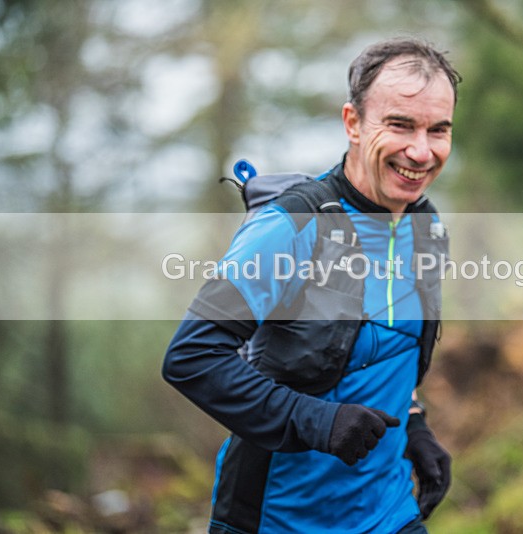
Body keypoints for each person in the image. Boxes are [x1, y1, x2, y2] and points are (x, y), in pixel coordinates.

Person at [162, 38, 460, 534]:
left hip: (388, 514)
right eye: (401, 125)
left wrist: (415, 425)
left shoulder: (425, 229)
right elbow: (192, 358)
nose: (421, 150)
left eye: (439, 130)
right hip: (277, 518)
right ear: (353, 124)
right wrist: (314, 420)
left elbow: (384, 345)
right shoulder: (290, 228)